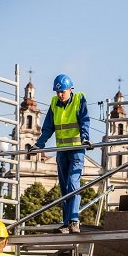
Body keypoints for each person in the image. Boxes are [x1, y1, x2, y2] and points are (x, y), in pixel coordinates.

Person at [35, 74, 90, 234]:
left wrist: (85, 138)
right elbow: (48, 127)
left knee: (73, 183)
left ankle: (74, 221)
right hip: (62, 152)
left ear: (70, 90)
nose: (60, 95)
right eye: (57, 92)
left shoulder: (79, 100)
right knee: (64, 187)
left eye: (63, 92)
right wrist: (39, 144)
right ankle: (66, 223)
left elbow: (84, 120)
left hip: (77, 150)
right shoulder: (54, 103)